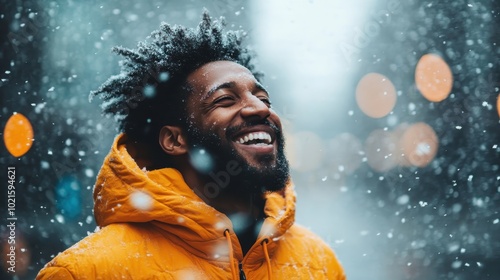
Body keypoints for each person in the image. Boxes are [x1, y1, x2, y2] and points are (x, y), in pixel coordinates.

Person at [37, 11, 346, 280]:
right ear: (175, 140)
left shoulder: (321, 262)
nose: (260, 109)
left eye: (263, 98)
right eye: (225, 99)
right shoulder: (84, 272)